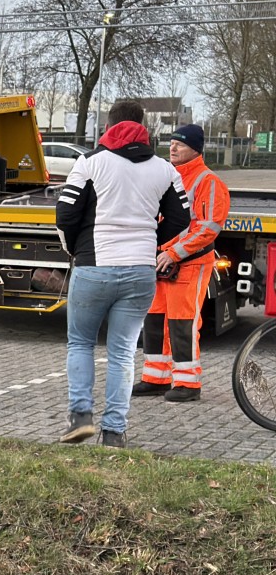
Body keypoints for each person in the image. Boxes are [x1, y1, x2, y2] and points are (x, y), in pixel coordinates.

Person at [55, 100, 190, 448]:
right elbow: (181, 219)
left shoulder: (89, 163)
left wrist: (76, 248)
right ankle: (114, 431)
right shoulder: (165, 170)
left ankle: (80, 419)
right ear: (143, 126)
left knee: (82, 343)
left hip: (94, 267)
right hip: (140, 273)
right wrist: (151, 242)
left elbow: (65, 215)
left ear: (109, 125)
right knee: (123, 352)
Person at [131, 123, 230, 401]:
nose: (172, 147)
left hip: (188, 263)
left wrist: (173, 253)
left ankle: (188, 384)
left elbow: (208, 227)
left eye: (180, 144)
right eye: (171, 142)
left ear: (195, 149)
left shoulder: (207, 181)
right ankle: (156, 378)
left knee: (182, 322)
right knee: (155, 320)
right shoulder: (168, 175)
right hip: (161, 262)